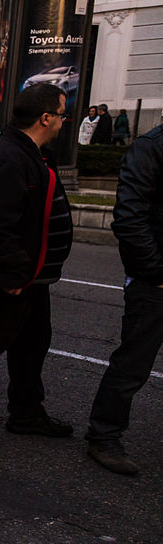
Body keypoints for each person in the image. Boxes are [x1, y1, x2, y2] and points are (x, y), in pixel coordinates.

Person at [0, 82, 74, 445]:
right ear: (45, 117)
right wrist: (12, 274)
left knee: (33, 343)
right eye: (61, 114)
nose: (63, 121)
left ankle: (26, 412)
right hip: (8, 278)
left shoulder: (34, 153)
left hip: (31, 276)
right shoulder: (9, 159)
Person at [84, 125, 162, 475]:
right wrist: (156, 272)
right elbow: (129, 217)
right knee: (133, 364)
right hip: (154, 283)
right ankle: (104, 436)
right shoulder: (151, 147)